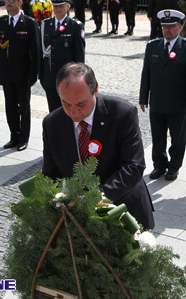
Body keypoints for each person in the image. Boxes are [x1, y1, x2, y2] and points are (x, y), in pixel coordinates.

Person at [42, 62, 155, 230]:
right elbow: (51, 175)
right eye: (66, 103)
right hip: (80, 220)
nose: (73, 112)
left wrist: (95, 198)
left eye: (81, 104)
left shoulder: (122, 113)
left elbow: (133, 167)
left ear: (96, 90)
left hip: (124, 209)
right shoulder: (52, 123)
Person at [139, 9, 186, 181]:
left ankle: (174, 166)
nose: (167, 30)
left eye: (172, 26)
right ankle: (159, 165)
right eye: (165, 26)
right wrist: (144, 98)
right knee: (157, 136)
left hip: (177, 103)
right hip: (157, 101)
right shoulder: (153, 46)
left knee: (177, 138)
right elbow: (146, 74)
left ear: (180, 27)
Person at [0, 0, 40, 151]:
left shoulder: (29, 23)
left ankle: (23, 138)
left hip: (22, 74)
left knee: (24, 107)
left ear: (20, 2)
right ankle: (14, 136)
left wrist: (33, 75)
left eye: (12, 1)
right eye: (6, 1)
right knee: (10, 107)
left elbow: (35, 52)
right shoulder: (1, 22)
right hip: (7, 73)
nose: (8, 4)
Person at [39, 0, 85, 112]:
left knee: (69, 114)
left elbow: (79, 56)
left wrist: (78, 78)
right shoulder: (45, 25)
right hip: (50, 79)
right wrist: (42, 77)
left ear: (68, 6)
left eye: (61, 6)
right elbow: (41, 54)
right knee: (53, 113)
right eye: (55, 6)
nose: (58, 9)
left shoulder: (75, 26)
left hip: (67, 79)